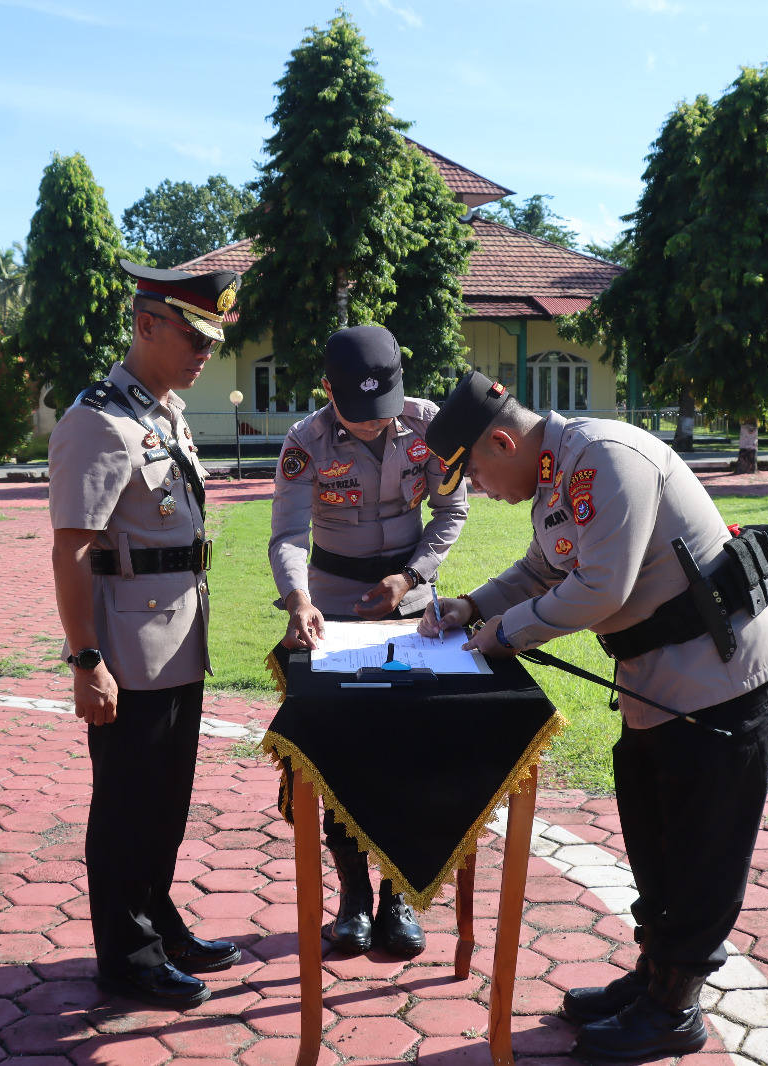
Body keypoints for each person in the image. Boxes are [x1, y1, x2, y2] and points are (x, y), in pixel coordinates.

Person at [418, 371, 768, 1061]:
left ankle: (675, 1010)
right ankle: (656, 980)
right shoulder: (558, 476)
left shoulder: (604, 459)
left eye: (474, 471)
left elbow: (599, 587)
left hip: (720, 677)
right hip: (662, 681)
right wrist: (473, 606)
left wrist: (503, 635)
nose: (477, 487)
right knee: (656, 841)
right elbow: (542, 570)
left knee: (700, 850)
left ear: (504, 440)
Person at [47, 260, 243, 1010]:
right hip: (127, 649)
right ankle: (126, 954)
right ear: (145, 324)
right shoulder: (99, 420)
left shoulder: (161, 411)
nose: (204, 353)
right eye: (192, 337)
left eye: (210, 340)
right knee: (128, 804)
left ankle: (158, 921)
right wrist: (85, 658)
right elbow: (71, 548)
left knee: (166, 801)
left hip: (178, 638)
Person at [270, 324, 468, 957]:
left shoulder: (429, 425)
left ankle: (400, 896)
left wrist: (410, 576)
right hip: (331, 610)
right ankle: (354, 896)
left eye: (381, 414)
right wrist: (299, 599)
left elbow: (451, 512)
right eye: (356, 417)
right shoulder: (304, 441)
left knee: (410, 752)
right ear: (327, 389)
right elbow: (286, 536)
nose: (372, 427)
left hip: (409, 609)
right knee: (341, 755)